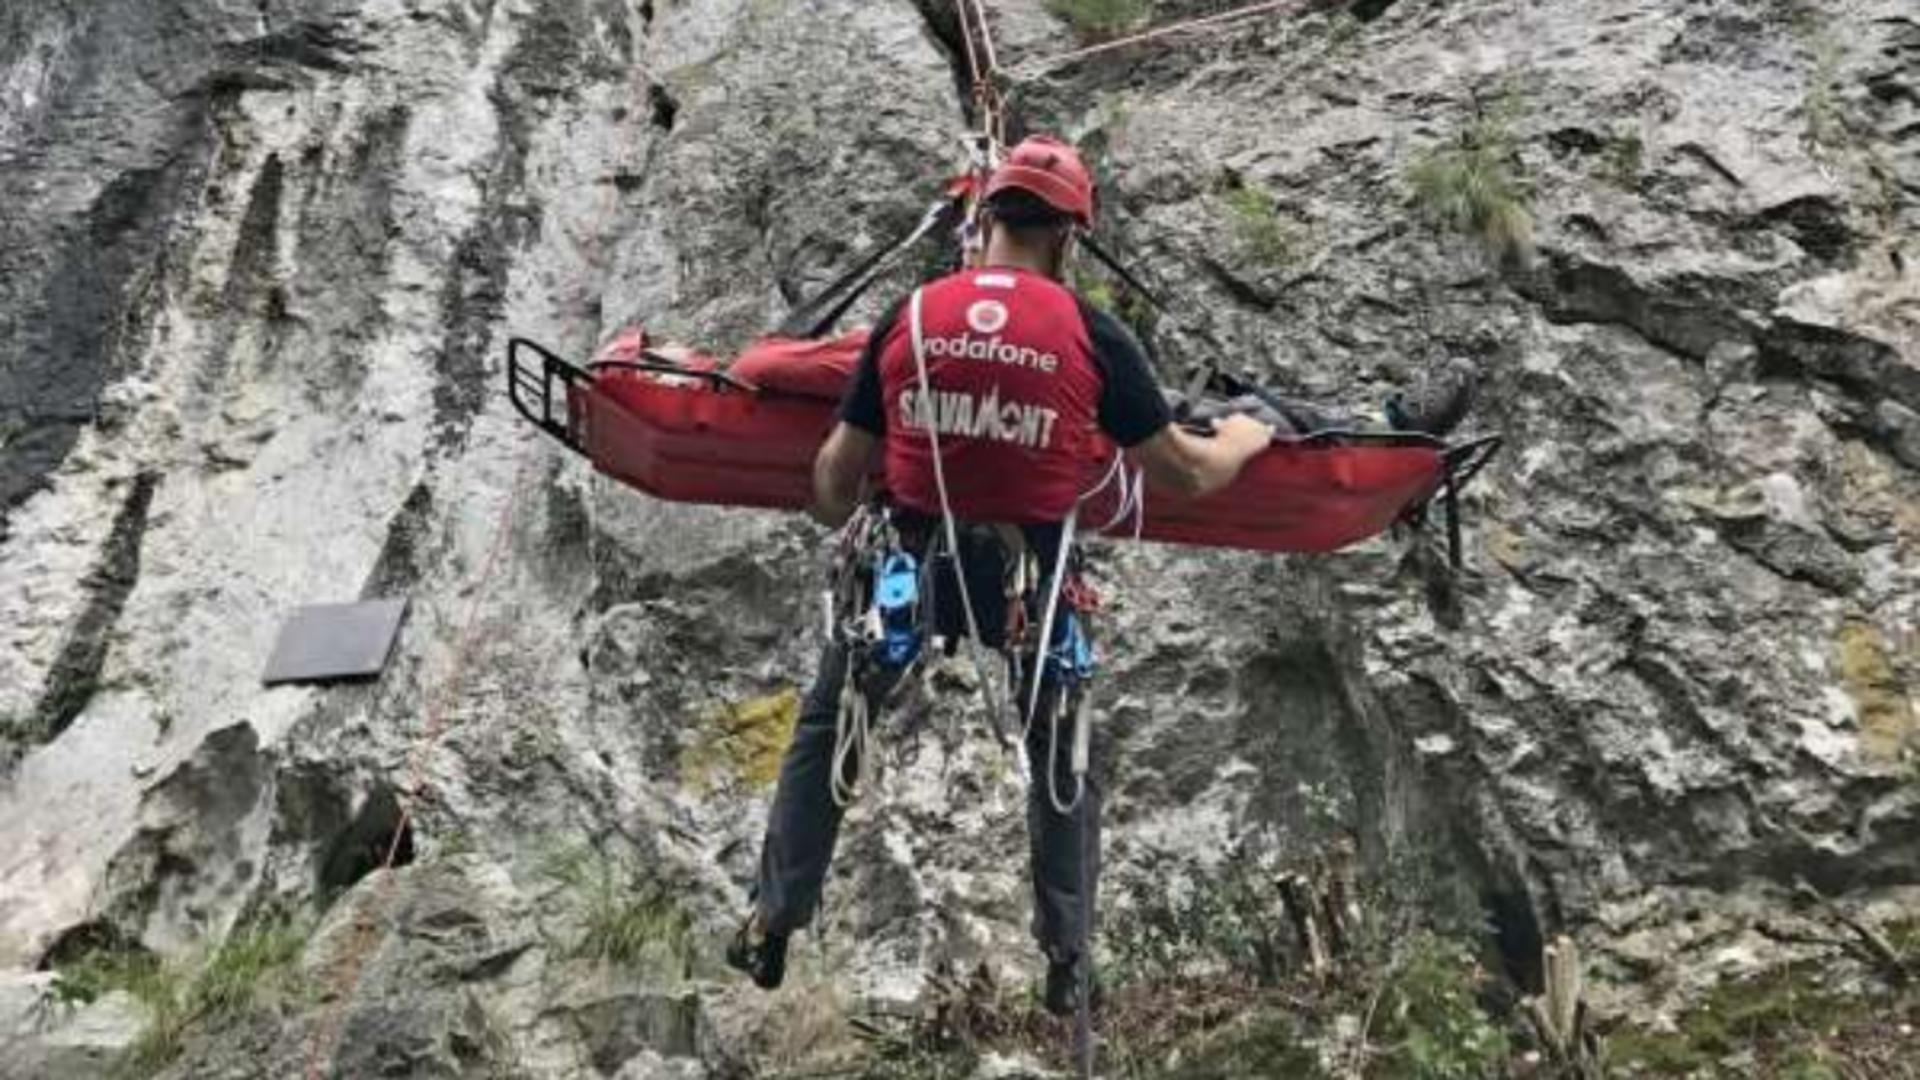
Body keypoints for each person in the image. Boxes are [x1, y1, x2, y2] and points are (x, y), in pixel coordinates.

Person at [726, 136, 1472, 1014]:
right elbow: (1184, 475)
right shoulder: (1090, 333)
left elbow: (829, 484)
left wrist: (892, 458)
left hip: (907, 553)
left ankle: (773, 921)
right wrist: (1247, 437)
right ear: (1070, 239)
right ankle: (1069, 965)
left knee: (832, 719)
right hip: (1029, 574)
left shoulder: (912, 316)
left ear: (984, 220)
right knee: (1062, 751)